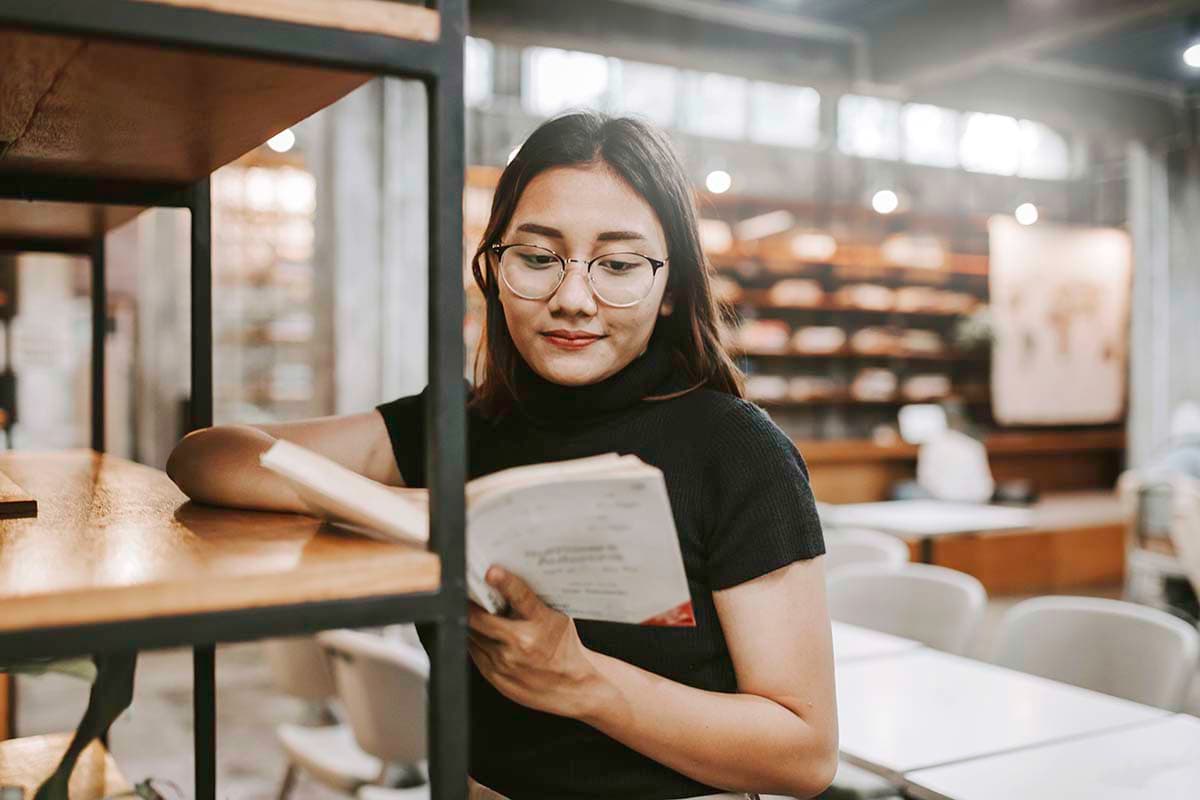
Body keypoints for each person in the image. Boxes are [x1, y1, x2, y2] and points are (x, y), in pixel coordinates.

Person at [167, 111, 837, 800]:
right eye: (539, 258)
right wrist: (429, 511)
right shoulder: (458, 427)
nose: (573, 299)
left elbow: (804, 755)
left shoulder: (736, 451)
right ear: (493, 268)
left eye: (619, 265)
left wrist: (580, 681)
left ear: (670, 289)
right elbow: (207, 459)